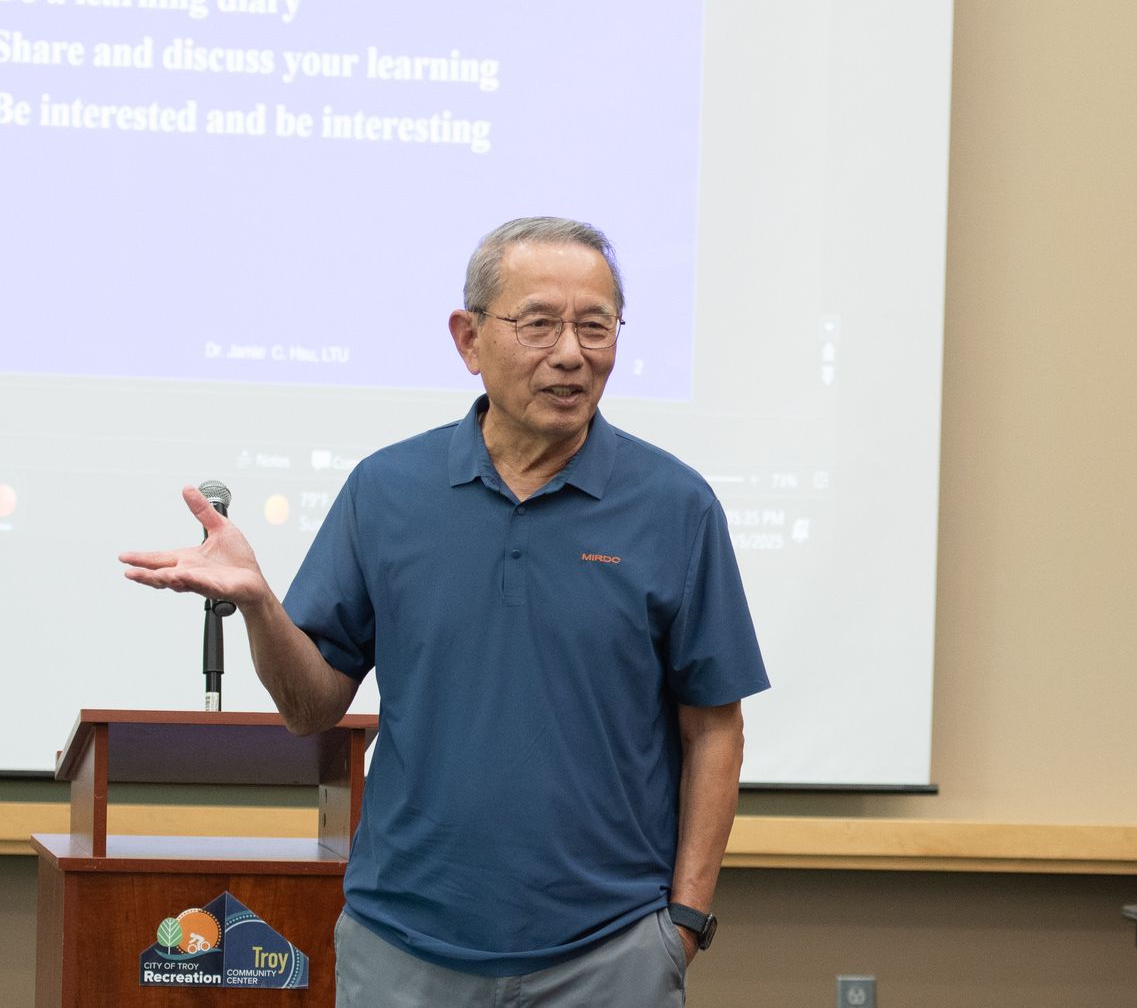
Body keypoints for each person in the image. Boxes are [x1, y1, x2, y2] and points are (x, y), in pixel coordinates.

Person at [121, 216, 769, 1007]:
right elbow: (310, 707)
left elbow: (715, 728)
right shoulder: (387, 490)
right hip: (404, 948)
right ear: (468, 339)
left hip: (611, 953)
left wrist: (685, 922)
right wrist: (260, 606)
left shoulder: (675, 506)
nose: (571, 353)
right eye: (539, 324)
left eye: (595, 327)